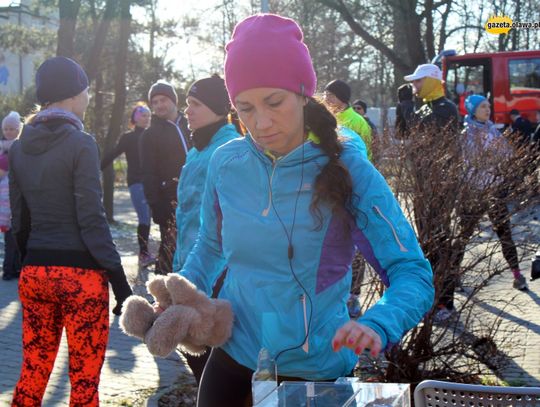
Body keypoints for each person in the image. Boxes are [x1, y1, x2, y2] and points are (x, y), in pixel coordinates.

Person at [176, 14, 434, 407]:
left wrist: (378, 324)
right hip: (232, 357)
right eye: (244, 107)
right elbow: (209, 248)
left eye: (274, 102)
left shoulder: (348, 168)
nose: (261, 123)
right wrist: (178, 297)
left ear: (301, 92)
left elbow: (412, 271)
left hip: (314, 369)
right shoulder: (226, 162)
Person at [9, 56, 132, 406]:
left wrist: (28, 260)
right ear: (75, 95)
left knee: (32, 374)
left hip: (35, 272)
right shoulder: (81, 144)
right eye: (87, 91)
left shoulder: (18, 148)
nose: (89, 98)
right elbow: (92, 219)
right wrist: (122, 285)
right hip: (81, 279)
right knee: (83, 386)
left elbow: (20, 221)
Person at [171, 74, 240, 384]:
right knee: (192, 347)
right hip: (191, 262)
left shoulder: (228, 149)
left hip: (218, 269)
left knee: (211, 353)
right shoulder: (198, 147)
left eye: (195, 104)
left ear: (216, 108)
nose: (188, 110)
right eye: (187, 103)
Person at [140, 80, 190, 275]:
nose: (159, 105)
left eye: (163, 100)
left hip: (197, 194)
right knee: (170, 246)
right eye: (155, 102)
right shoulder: (150, 135)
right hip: (169, 199)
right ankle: (162, 293)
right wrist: (155, 204)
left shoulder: (190, 123)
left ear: (174, 100)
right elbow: (148, 172)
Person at [101, 103, 154, 266]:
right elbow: (113, 154)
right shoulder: (129, 138)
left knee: (149, 218)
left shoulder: (152, 136)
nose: (146, 118)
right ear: (135, 118)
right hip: (136, 182)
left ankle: (147, 253)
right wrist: (96, 168)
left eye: (148, 116)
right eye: (143, 115)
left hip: (152, 182)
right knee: (144, 217)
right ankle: (143, 255)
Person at [324, 79, 373, 160]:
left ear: (342, 97)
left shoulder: (358, 121)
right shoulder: (324, 117)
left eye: (330, 95)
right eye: (325, 95)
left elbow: (367, 152)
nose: (326, 99)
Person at [404, 63, 458, 132]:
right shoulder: (426, 107)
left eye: (418, 80)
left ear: (430, 82)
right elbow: (403, 132)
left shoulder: (446, 107)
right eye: (413, 81)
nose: (413, 84)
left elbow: (418, 127)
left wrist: (406, 102)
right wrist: (402, 104)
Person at [1, 111, 22, 281]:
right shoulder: (2, 149)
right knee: (10, 237)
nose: (8, 132)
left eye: (12, 128)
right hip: (5, 199)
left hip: (17, 197)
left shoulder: (21, 147)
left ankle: (15, 268)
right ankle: (9, 270)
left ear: (18, 130)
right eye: (6, 128)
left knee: (16, 236)